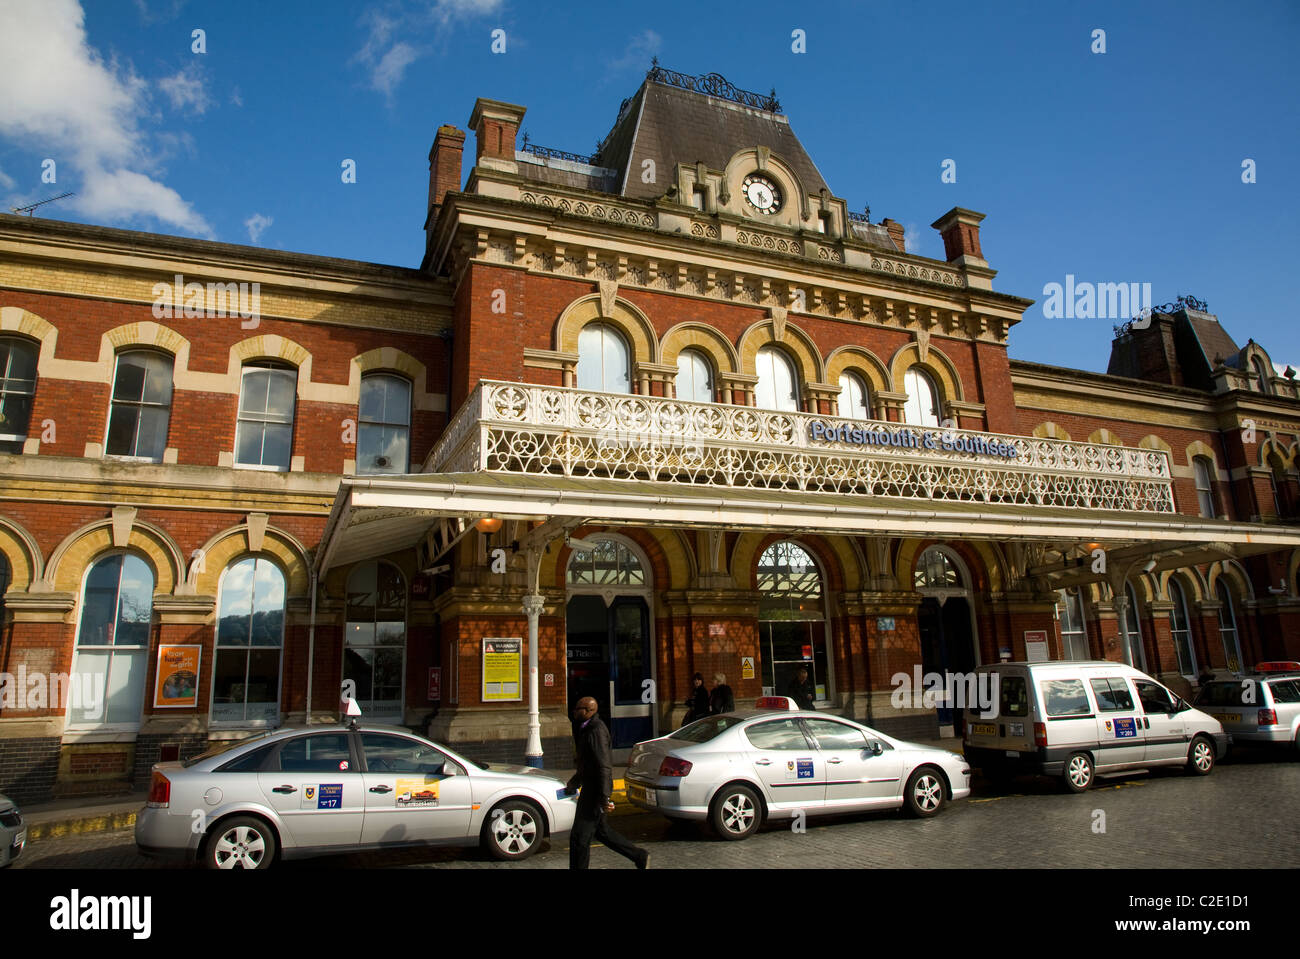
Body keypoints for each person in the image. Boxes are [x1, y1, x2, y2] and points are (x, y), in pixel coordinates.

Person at [565, 696, 648, 870]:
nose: (574, 711)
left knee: (579, 838)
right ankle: (639, 856)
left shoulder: (596, 730)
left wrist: (604, 797)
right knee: (601, 832)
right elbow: (588, 763)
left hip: (595, 792)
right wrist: (575, 782)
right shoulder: (585, 728)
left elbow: (603, 765)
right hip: (591, 787)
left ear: (589, 711)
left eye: (578, 708)